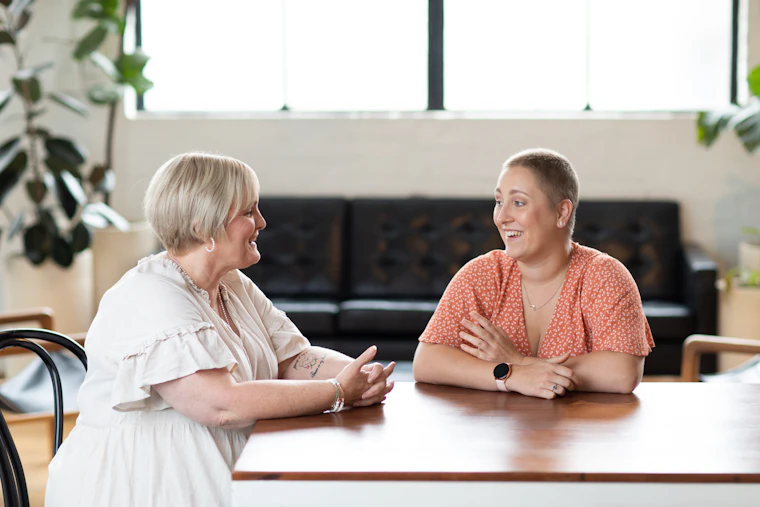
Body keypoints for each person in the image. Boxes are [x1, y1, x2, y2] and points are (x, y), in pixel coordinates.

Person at [45, 153, 395, 507]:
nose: (261, 221)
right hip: (144, 484)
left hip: (224, 466)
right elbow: (220, 406)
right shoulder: (150, 294)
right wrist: (337, 392)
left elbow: (293, 357)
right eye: (248, 212)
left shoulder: (231, 283)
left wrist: (360, 372)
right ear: (202, 227)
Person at [413, 148, 654, 399]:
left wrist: (520, 361)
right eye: (499, 202)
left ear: (561, 213)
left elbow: (623, 373)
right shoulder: (482, 273)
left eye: (518, 203)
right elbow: (427, 362)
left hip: (581, 433)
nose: (502, 217)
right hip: (494, 433)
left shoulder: (603, 275)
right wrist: (511, 375)